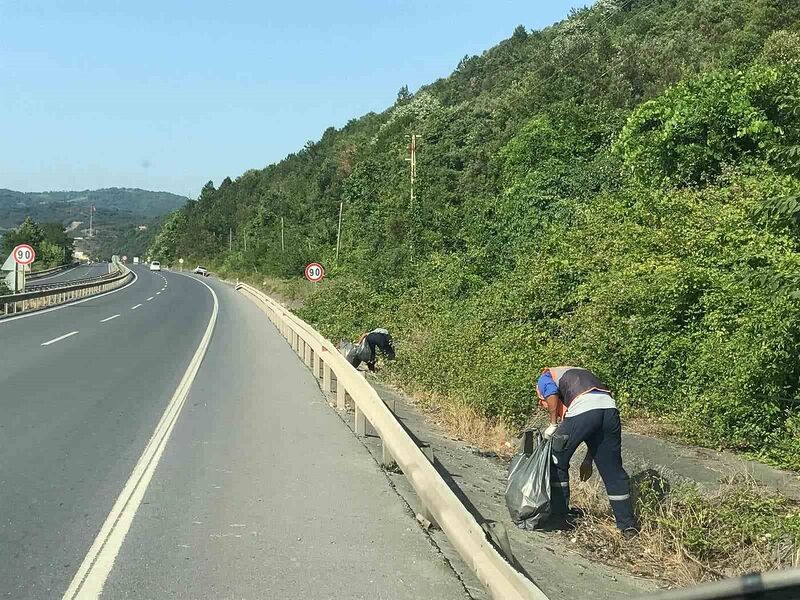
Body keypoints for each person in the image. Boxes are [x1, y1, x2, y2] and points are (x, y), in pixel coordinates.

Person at [536, 366, 639, 538]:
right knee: (613, 471)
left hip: (584, 409)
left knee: (556, 457)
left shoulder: (545, 377)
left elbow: (552, 395)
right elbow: (595, 429)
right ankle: (627, 526)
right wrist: (588, 460)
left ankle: (560, 516)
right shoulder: (581, 374)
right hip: (610, 411)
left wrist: (553, 424)